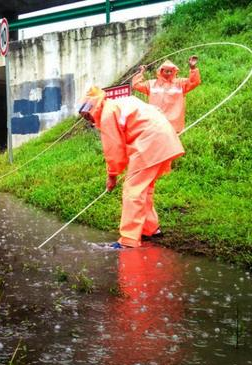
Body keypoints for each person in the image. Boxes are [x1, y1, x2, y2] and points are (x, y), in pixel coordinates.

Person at [79, 86, 184, 248]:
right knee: (144, 188)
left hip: (151, 142)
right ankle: (150, 229)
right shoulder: (118, 104)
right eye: (83, 115)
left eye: (87, 113)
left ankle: (129, 240)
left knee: (132, 190)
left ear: (94, 106)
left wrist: (112, 176)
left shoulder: (108, 114)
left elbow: (114, 149)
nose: (87, 118)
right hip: (162, 138)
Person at [132, 56, 201, 133]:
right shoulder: (151, 84)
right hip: (157, 124)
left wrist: (193, 68)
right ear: (161, 71)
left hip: (174, 125)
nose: (169, 73)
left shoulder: (180, 83)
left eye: (171, 71)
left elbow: (194, 82)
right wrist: (140, 73)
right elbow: (136, 85)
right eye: (166, 71)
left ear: (174, 71)